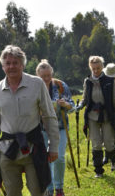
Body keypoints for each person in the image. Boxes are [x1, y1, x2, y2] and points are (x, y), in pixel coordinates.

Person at [0, 45, 59, 196]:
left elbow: (49, 116)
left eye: (15, 62)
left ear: (22, 64)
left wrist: (54, 146)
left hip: (33, 148)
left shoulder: (37, 84)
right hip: (7, 150)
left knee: (39, 190)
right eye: (8, 63)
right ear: (3, 66)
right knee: (12, 192)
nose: (11, 66)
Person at [76, 56, 115, 178]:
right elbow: (85, 98)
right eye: (93, 68)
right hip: (92, 116)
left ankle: (114, 161)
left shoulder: (109, 80)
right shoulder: (87, 81)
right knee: (96, 143)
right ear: (90, 68)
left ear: (102, 67)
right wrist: (80, 106)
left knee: (108, 142)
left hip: (107, 115)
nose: (96, 71)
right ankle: (98, 170)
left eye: (98, 68)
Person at [36, 59, 75, 196]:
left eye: (48, 75)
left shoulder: (60, 86)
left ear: (52, 74)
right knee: (45, 158)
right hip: (41, 128)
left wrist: (65, 104)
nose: (46, 79)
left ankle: (59, 187)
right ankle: (49, 187)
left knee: (59, 157)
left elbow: (72, 106)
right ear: (38, 76)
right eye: (43, 76)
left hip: (60, 127)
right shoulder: (34, 87)